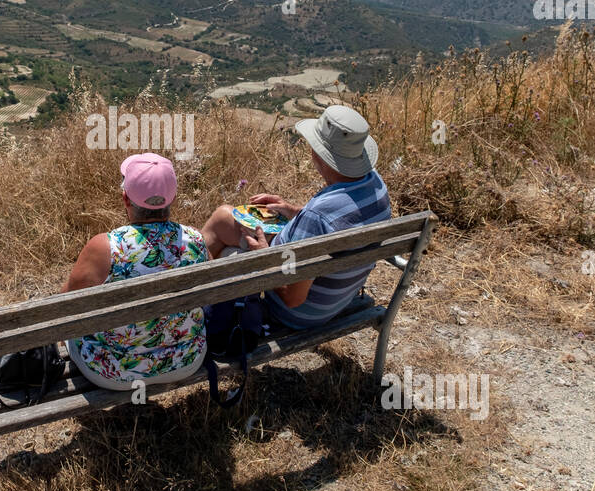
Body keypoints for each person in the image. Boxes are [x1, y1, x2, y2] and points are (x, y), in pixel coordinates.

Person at [201, 105, 391, 329]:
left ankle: (191, 305)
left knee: (221, 221)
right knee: (225, 218)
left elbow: (292, 297)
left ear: (318, 154)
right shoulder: (375, 184)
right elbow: (340, 222)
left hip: (298, 313)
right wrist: (291, 210)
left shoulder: (316, 217)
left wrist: (264, 256)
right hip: (336, 296)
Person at [63, 153, 210, 390]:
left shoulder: (106, 247)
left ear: (125, 199)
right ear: (173, 197)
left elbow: (65, 306)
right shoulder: (196, 240)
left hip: (117, 373)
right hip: (186, 360)